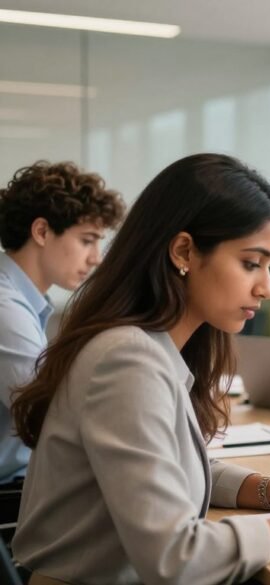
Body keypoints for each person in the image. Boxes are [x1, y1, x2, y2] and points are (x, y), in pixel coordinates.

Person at [11, 154, 270, 584]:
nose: (266, 287)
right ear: (184, 251)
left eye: (269, 266)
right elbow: (176, 558)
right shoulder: (126, 360)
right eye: (251, 263)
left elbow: (166, 468)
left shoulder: (146, 346)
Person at [0, 161, 124, 522]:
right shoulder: (6, 309)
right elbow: (53, 415)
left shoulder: (23, 301)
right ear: (41, 231)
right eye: (87, 240)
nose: (97, 258)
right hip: (12, 493)